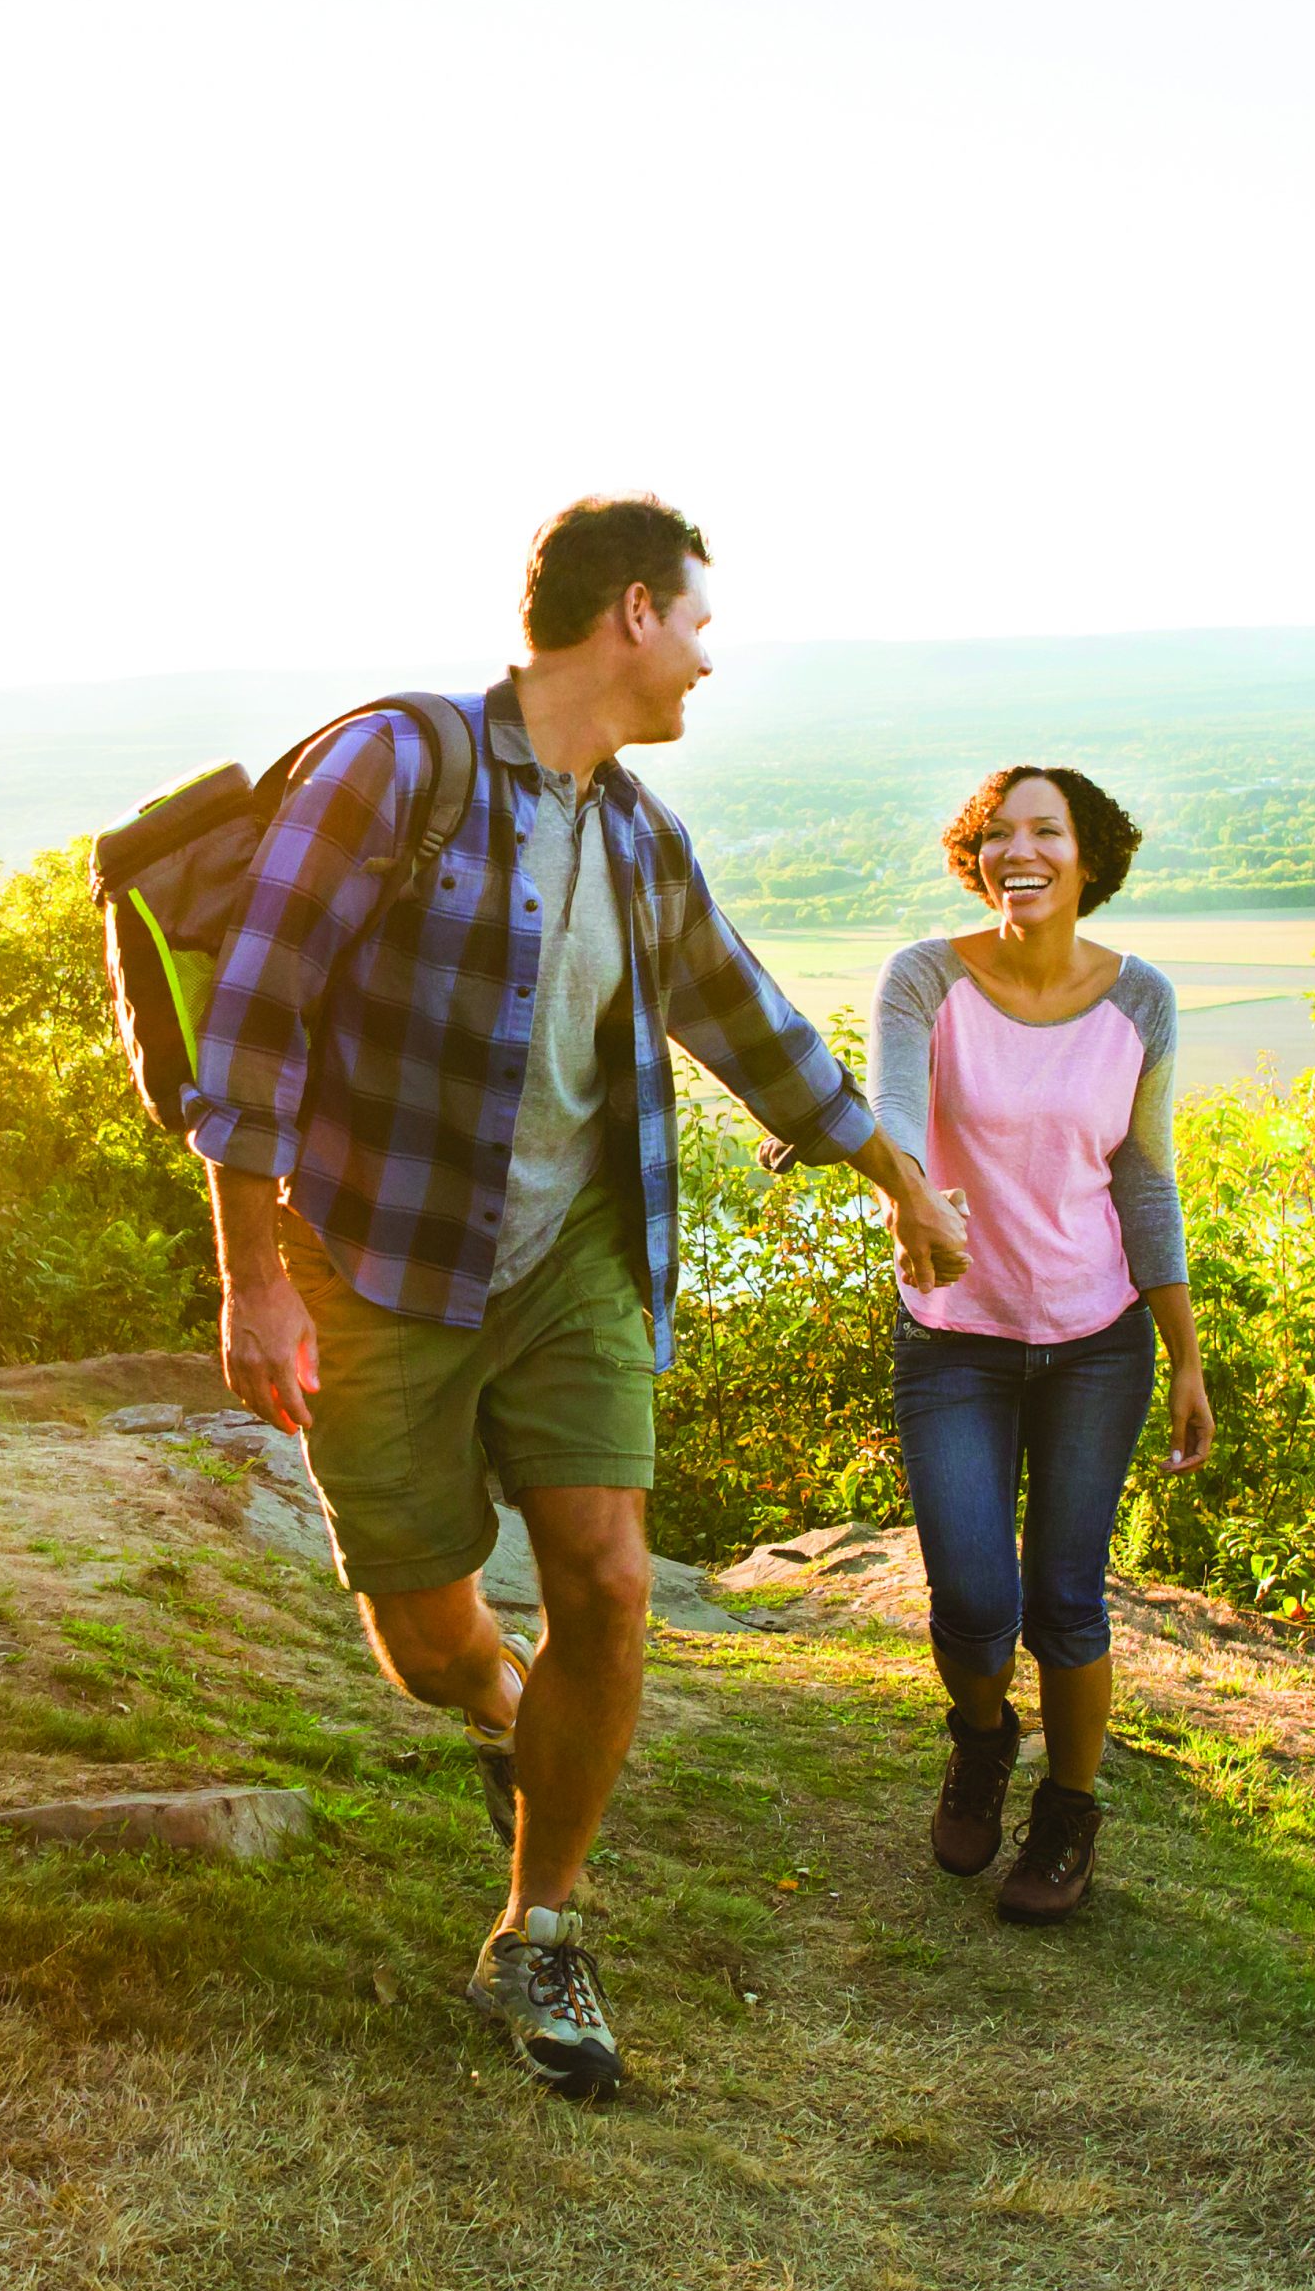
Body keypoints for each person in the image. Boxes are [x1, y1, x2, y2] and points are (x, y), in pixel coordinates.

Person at [187, 495, 969, 2099]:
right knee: (423, 1636)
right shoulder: (395, 770)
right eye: (695, 626)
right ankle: (503, 1721)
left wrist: (903, 1183)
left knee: (608, 1582)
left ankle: (541, 1929)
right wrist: (252, 1280)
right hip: (378, 1266)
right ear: (628, 615)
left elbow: (751, 1023)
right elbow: (252, 1028)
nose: (703, 662)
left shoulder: (632, 832)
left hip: (577, 1262)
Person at [869, 764, 1216, 1924]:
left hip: (1096, 1341)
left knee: (1067, 1597)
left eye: (1047, 831)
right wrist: (906, 1192)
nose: (1022, 850)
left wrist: (1184, 1354)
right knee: (972, 1599)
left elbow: (1146, 1182)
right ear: (977, 854)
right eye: (999, 832)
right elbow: (897, 1114)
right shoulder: (926, 977)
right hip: (956, 1339)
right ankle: (980, 1735)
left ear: (1088, 857)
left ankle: (1068, 1812)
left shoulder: (1143, 1002)